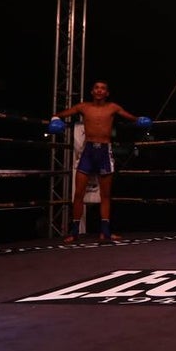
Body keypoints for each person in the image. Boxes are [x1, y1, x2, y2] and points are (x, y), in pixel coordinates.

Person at [49, 79, 149, 243]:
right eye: (96, 87)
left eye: (103, 88)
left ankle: (105, 232)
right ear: (92, 91)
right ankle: (74, 232)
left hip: (104, 151)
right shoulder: (83, 107)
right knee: (78, 193)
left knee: (106, 195)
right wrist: (55, 120)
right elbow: (60, 114)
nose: (99, 90)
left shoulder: (113, 107)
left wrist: (140, 120)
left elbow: (132, 118)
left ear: (107, 93)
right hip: (88, 151)